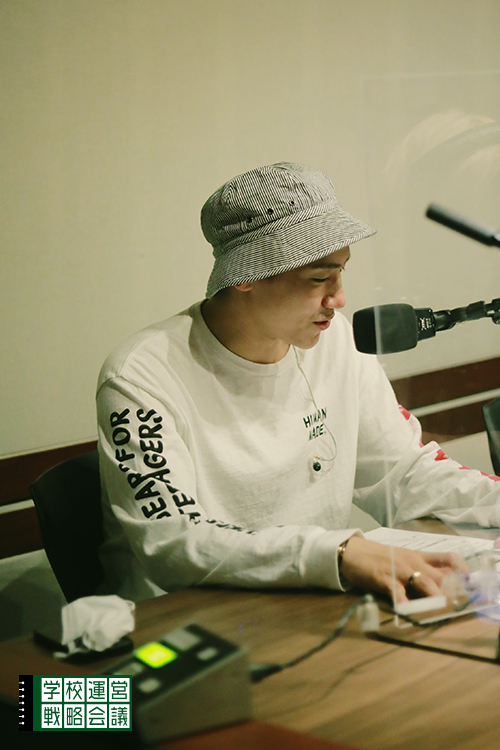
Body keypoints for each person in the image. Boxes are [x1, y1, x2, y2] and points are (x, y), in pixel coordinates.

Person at [96, 162, 500, 604]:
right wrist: (339, 553)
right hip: (185, 621)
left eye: (342, 272)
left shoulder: (336, 339)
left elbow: (401, 472)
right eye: (319, 278)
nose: (339, 298)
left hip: (312, 604)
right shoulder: (142, 374)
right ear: (245, 275)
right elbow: (173, 540)